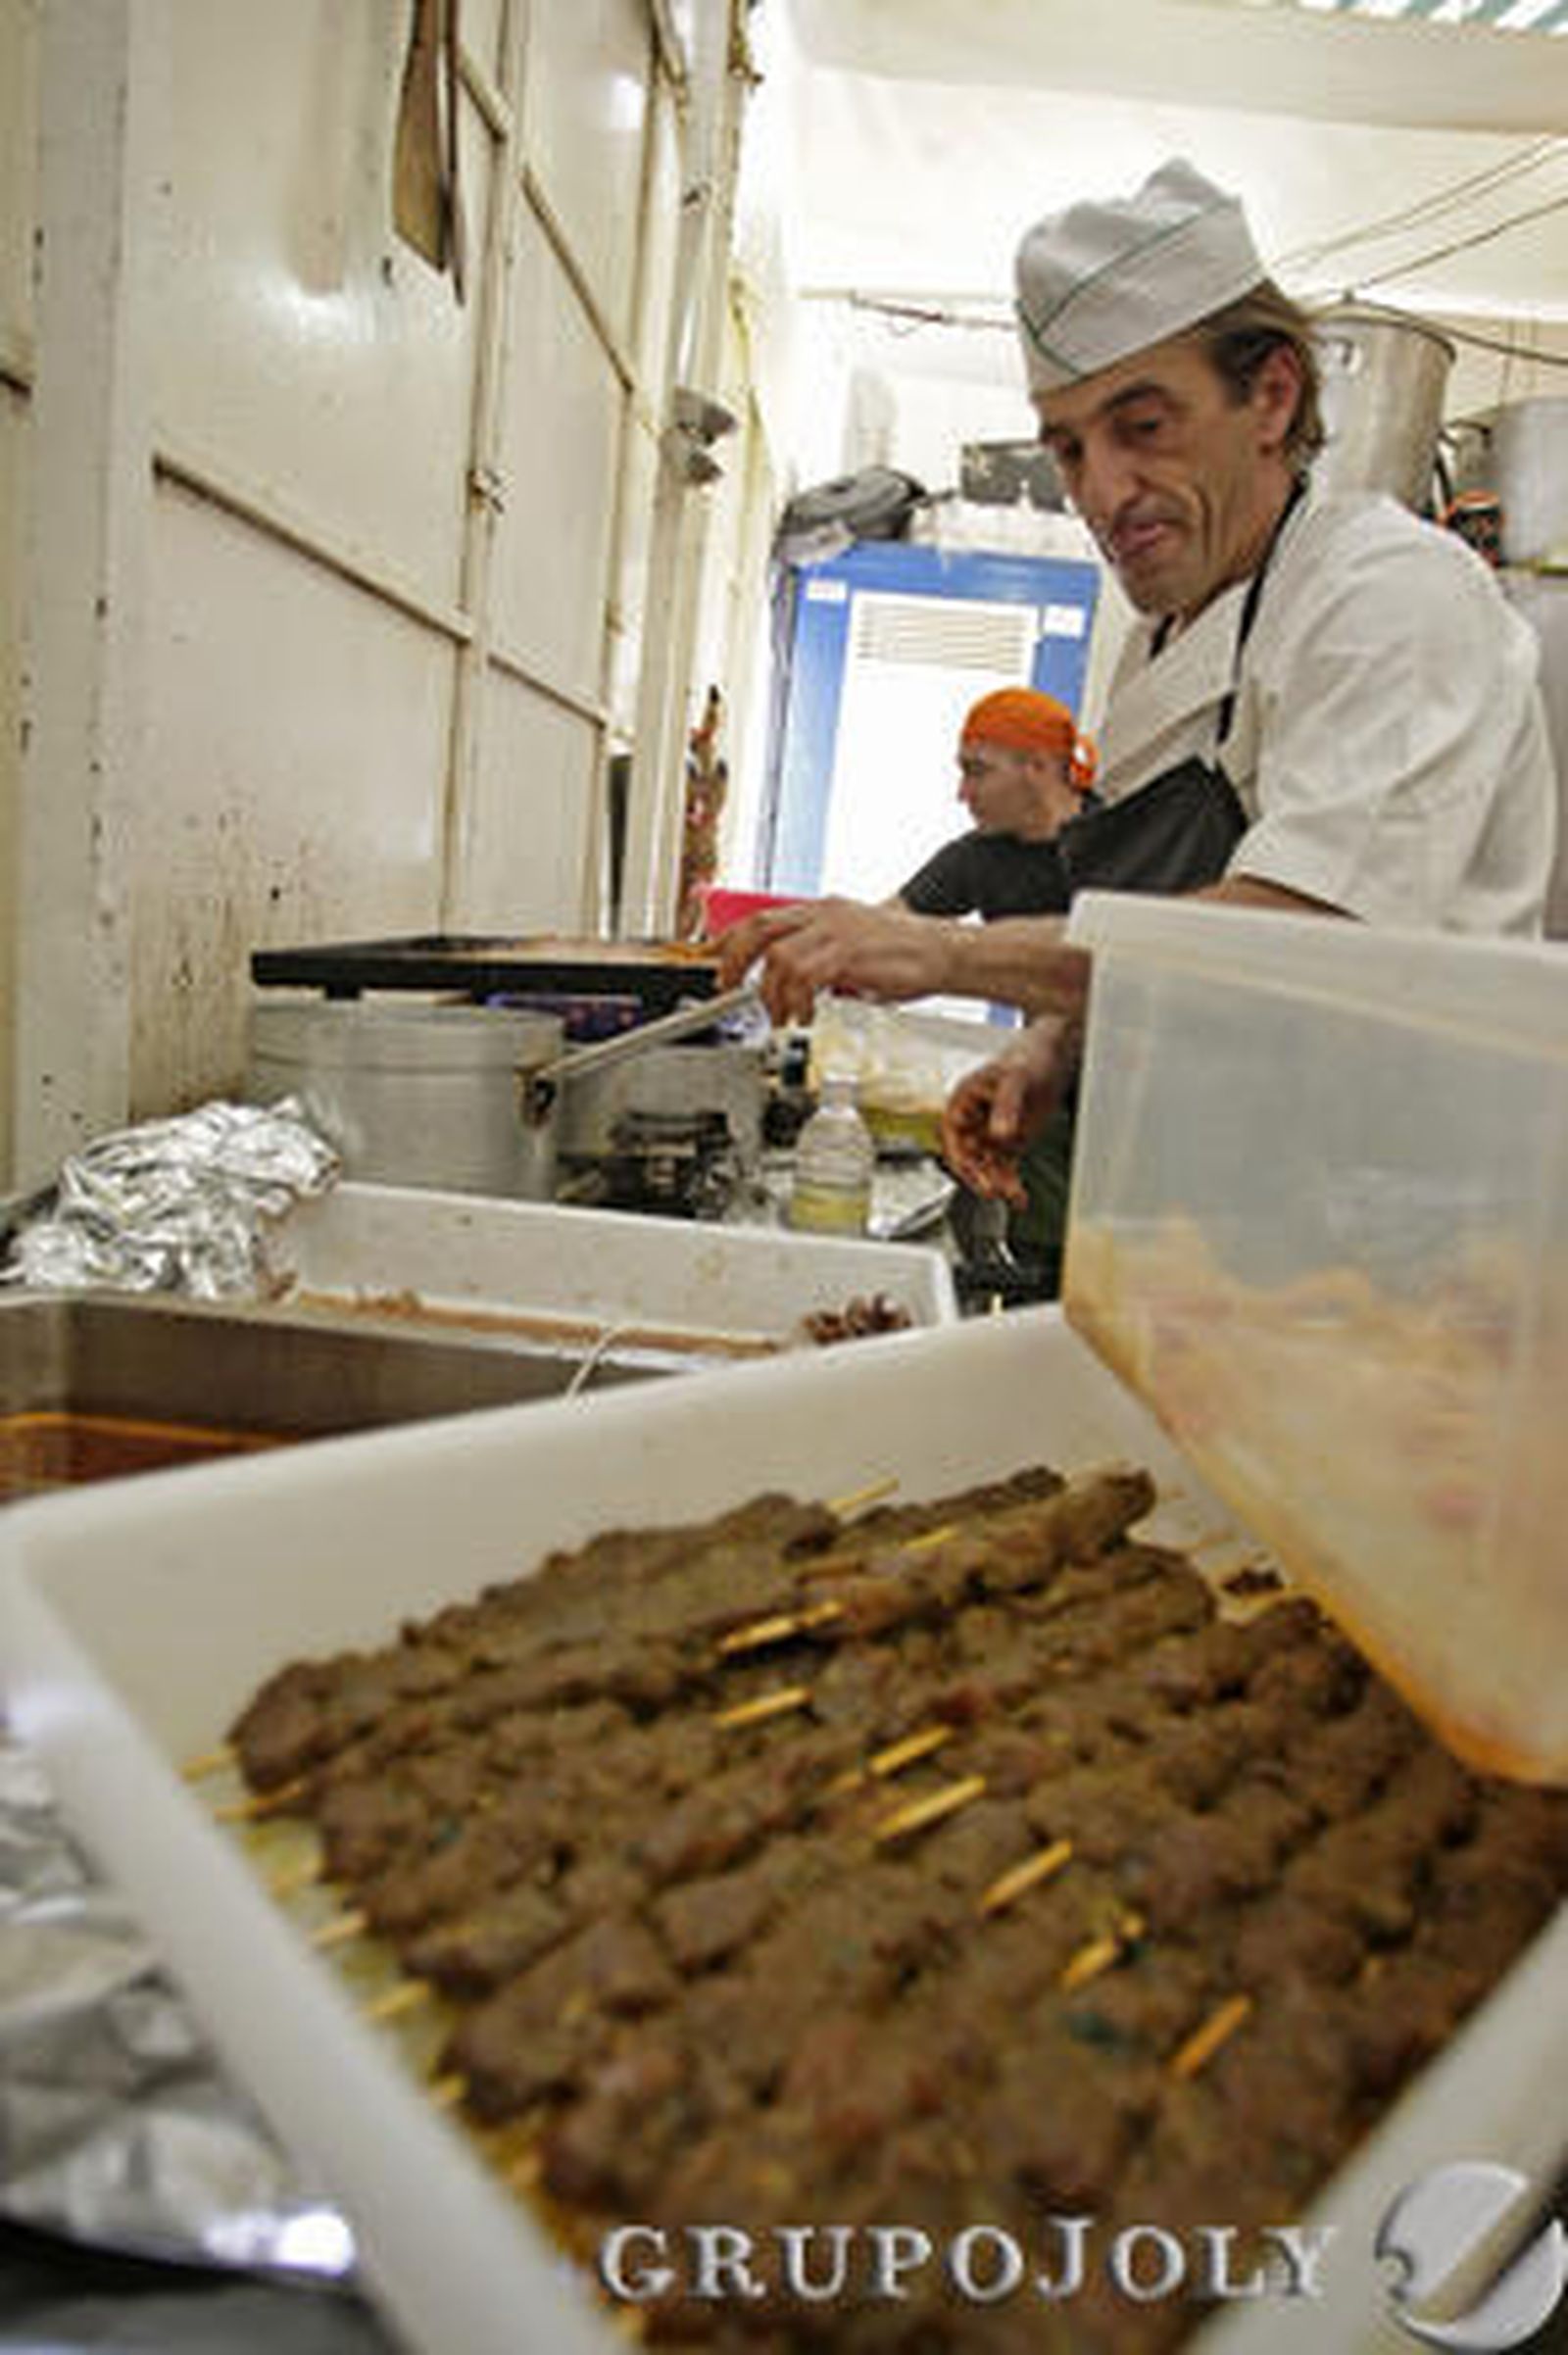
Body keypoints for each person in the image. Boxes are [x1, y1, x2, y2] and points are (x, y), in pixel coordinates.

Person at [718, 157, 1557, 1204]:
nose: (1102, 491)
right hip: (1215, 1209)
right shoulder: (1158, 635)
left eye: (1143, 426)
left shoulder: (1390, 598)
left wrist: (940, 950)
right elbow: (1163, 922)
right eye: (1069, 449)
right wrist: (1051, 1050)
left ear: (1271, 394)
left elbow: (1302, 947)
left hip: (1395, 1228)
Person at [895, 686, 1098, 923]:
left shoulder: (1121, 848)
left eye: (977, 771)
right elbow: (883, 926)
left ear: (1038, 767)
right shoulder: (980, 852)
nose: (962, 794)